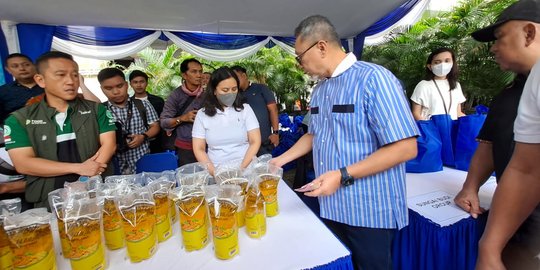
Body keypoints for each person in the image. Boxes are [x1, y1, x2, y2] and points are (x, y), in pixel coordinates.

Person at [270, 15, 418, 269]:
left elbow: (405, 147)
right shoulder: (320, 90)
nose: (299, 65)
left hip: (368, 209)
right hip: (330, 204)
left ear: (321, 47)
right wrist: (279, 160)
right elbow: (314, 135)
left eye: (299, 57)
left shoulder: (374, 79)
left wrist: (342, 175)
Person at [461, 1, 540, 269]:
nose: (493, 48)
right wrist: (471, 186)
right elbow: (524, 168)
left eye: (499, 37)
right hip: (520, 224)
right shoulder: (510, 96)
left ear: (529, 33)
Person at [3, 51, 116, 208]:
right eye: (61, 75)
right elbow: (24, 163)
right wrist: (79, 168)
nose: (70, 81)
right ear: (41, 80)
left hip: (96, 192)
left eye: (75, 75)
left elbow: (109, 144)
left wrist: (84, 180)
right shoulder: (18, 120)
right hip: (49, 199)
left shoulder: (96, 110)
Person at [192, 67, 260, 175]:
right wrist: (216, 174)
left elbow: (255, 141)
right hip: (216, 172)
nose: (230, 93)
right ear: (214, 90)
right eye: (225, 90)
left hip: (247, 171)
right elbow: (199, 148)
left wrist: (241, 170)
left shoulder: (245, 109)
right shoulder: (202, 114)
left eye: (234, 89)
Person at [98, 68, 160, 175]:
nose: (116, 92)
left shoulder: (142, 105)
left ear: (126, 85)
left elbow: (155, 126)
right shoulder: (101, 111)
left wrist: (143, 136)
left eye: (119, 86)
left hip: (143, 162)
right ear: (102, 89)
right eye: (108, 88)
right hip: (114, 167)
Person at [160, 59, 205, 166]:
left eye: (200, 71)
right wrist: (182, 118)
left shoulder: (208, 94)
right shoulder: (175, 95)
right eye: (194, 72)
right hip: (185, 146)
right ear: (184, 75)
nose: (199, 75)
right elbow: (164, 122)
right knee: (189, 179)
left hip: (207, 145)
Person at [231, 65, 279, 156]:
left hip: (263, 142)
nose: (234, 81)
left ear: (244, 76)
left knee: (265, 168)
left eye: (235, 77)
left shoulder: (261, 88)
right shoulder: (234, 94)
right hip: (243, 145)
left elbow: (273, 110)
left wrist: (276, 133)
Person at [410, 48, 466, 120]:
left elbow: (458, 112)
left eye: (447, 61)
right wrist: (429, 129)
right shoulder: (423, 85)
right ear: (430, 66)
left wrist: (470, 121)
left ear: (452, 63)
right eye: (437, 62)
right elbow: (415, 113)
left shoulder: (456, 85)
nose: (442, 64)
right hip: (430, 128)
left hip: (453, 128)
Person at [0, 53, 44, 126]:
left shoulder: (50, 86)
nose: (22, 69)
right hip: (18, 131)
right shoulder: (3, 91)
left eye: (26, 65)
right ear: (8, 70)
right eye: (15, 66)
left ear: (34, 66)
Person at [129, 70, 165, 153]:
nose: (139, 85)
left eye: (142, 82)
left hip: (158, 141)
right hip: (137, 144)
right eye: (135, 82)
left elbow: (163, 120)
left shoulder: (158, 101)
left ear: (146, 83)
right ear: (130, 84)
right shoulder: (128, 103)